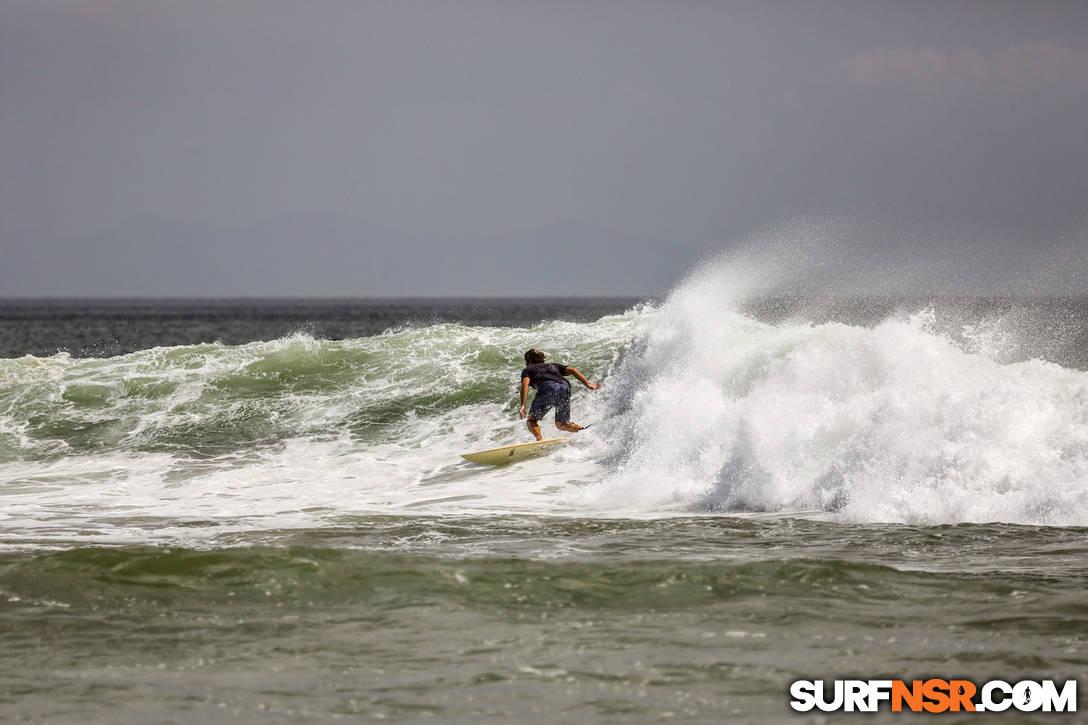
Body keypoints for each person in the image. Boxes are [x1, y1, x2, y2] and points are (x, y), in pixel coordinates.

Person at [517, 348, 601, 440]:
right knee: (561, 424)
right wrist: (589, 384)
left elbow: (525, 384)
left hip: (548, 388)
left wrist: (522, 405)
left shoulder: (528, 370)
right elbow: (573, 370)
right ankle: (582, 430)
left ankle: (539, 439)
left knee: (531, 420)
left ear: (527, 360)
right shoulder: (553, 365)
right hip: (565, 387)